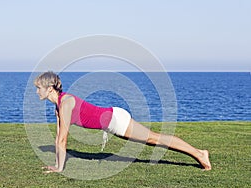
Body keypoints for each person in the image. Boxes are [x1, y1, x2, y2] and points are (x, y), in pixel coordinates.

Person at [34, 71, 212, 173]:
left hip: (117, 120)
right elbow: (59, 138)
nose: (37, 92)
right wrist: (58, 166)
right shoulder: (59, 106)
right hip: (113, 121)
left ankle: (200, 154)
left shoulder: (65, 104)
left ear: (49, 88)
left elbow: (63, 139)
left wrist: (59, 168)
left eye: (38, 88)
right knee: (153, 139)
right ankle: (198, 153)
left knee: (154, 139)